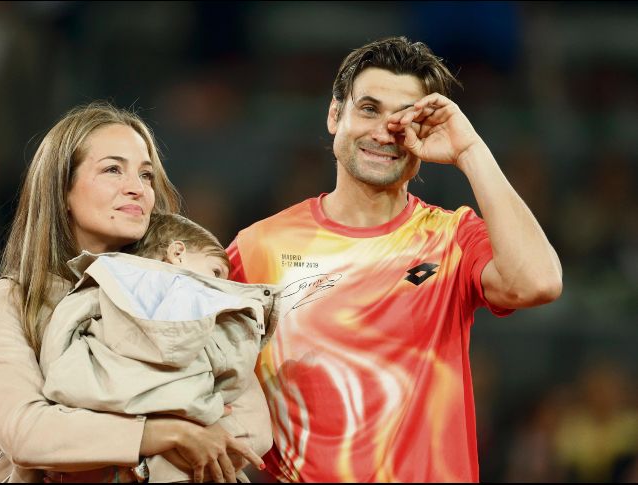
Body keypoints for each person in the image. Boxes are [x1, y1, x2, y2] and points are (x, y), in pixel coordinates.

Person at [227, 36, 563, 482]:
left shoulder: (452, 238)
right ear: (335, 115)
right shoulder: (258, 247)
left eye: (405, 118)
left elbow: (538, 282)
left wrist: (470, 151)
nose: (385, 131)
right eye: (369, 109)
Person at [0, 102, 265, 483]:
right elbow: (27, 432)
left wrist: (119, 454)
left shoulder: (188, 288)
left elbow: (252, 425)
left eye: (146, 175)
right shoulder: (12, 302)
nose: (137, 189)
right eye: (112, 170)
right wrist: (168, 433)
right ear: (62, 190)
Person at [39, 213, 280, 482]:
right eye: (216, 273)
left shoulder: (95, 289)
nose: (220, 287)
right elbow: (254, 436)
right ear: (177, 253)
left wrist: (140, 434)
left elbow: (59, 371)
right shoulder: (222, 317)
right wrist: (194, 421)